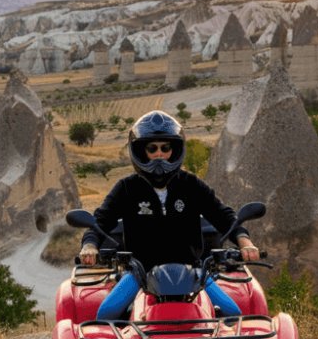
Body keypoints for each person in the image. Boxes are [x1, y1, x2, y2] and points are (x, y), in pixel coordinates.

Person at [79, 110, 259, 320]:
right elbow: (100, 221)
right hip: (141, 273)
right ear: (140, 151)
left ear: (175, 150)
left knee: (234, 314)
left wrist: (244, 241)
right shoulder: (127, 188)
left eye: (165, 148)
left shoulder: (191, 185)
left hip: (193, 273)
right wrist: (89, 246)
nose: (159, 154)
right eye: (152, 148)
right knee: (105, 314)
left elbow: (223, 215)